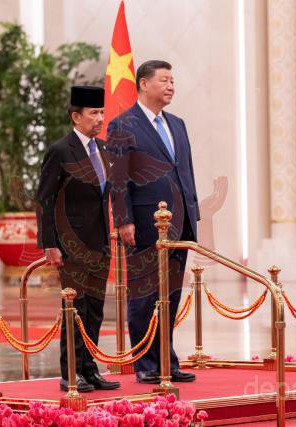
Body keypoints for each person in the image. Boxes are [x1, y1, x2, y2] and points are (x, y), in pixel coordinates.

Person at [107, 60, 199, 384]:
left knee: (170, 296)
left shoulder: (177, 124)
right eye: (164, 80)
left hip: (180, 223)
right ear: (144, 84)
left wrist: (192, 213)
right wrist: (124, 220)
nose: (171, 86)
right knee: (144, 297)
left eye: (173, 80)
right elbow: (118, 178)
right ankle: (145, 364)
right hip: (144, 225)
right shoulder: (123, 125)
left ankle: (166, 362)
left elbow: (185, 171)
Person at [36, 86, 120, 392]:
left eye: (102, 113)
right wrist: (49, 244)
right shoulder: (61, 150)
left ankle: (90, 369)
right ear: (76, 116)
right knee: (76, 309)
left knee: (95, 310)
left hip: (100, 245)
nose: (100, 118)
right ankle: (70, 373)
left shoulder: (104, 150)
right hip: (70, 245)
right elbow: (44, 200)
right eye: (93, 113)